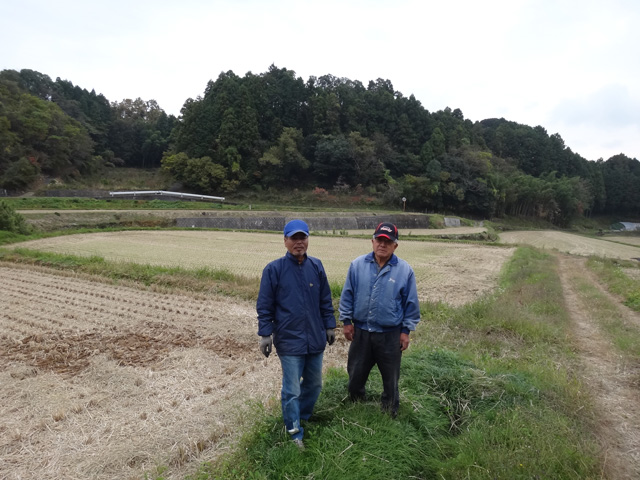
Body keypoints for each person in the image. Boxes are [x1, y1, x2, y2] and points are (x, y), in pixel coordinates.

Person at [257, 219, 337, 449]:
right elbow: (265, 305)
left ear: (308, 240)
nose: (298, 242)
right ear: (285, 241)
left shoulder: (317, 266)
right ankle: (294, 432)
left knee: (314, 384)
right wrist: (265, 334)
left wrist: (329, 325)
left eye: (303, 238)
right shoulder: (274, 270)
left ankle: (302, 417)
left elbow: (325, 300)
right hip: (289, 340)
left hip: (314, 338)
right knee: (292, 389)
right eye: (294, 238)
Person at [339, 222, 420, 417]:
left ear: (395, 246)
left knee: (390, 379)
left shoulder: (404, 270)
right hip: (361, 332)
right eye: (379, 240)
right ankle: (356, 406)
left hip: (390, 335)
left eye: (387, 241)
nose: (382, 244)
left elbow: (411, 304)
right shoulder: (357, 265)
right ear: (372, 241)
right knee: (356, 374)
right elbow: (347, 295)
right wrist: (346, 322)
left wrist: (405, 331)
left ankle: (389, 412)